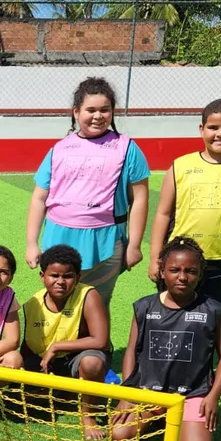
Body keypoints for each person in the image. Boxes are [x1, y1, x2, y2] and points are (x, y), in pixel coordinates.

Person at [25, 77, 150, 305]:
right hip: (58, 237)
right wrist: (32, 243)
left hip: (106, 239)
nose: (98, 116)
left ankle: (99, 343)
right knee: (58, 301)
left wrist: (134, 245)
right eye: (90, 110)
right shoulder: (59, 149)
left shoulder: (127, 148)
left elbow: (140, 200)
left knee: (97, 304)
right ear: (76, 111)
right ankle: (57, 342)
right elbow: (39, 198)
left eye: (105, 110)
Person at [112, 237, 221, 441]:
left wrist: (213, 396)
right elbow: (131, 351)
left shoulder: (214, 310)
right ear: (162, 272)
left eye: (191, 271)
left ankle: (181, 421)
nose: (182, 277)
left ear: (199, 275)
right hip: (148, 391)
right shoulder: (144, 306)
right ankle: (161, 415)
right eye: (174, 270)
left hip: (191, 393)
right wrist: (128, 393)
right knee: (119, 436)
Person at [149, 98, 221, 304]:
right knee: (172, 317)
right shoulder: (180, 166)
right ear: (201, 129)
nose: (220, 134)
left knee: (210, 319)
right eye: (213, 127)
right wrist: (155, 259)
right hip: (178, 259)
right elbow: (163, 214)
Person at [20, 245, 112, 441]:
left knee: (92, 364)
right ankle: (67, 395)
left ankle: (88, 416)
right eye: (54, 276)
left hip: (79, 358)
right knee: (25, 393)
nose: (60, 282)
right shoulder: (31, 305)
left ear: (78, 277)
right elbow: (27, 347)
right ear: (42, 276)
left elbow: (101, 340)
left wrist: (57, 346)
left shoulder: (89, 295)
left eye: (68, 276)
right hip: (49, 362)